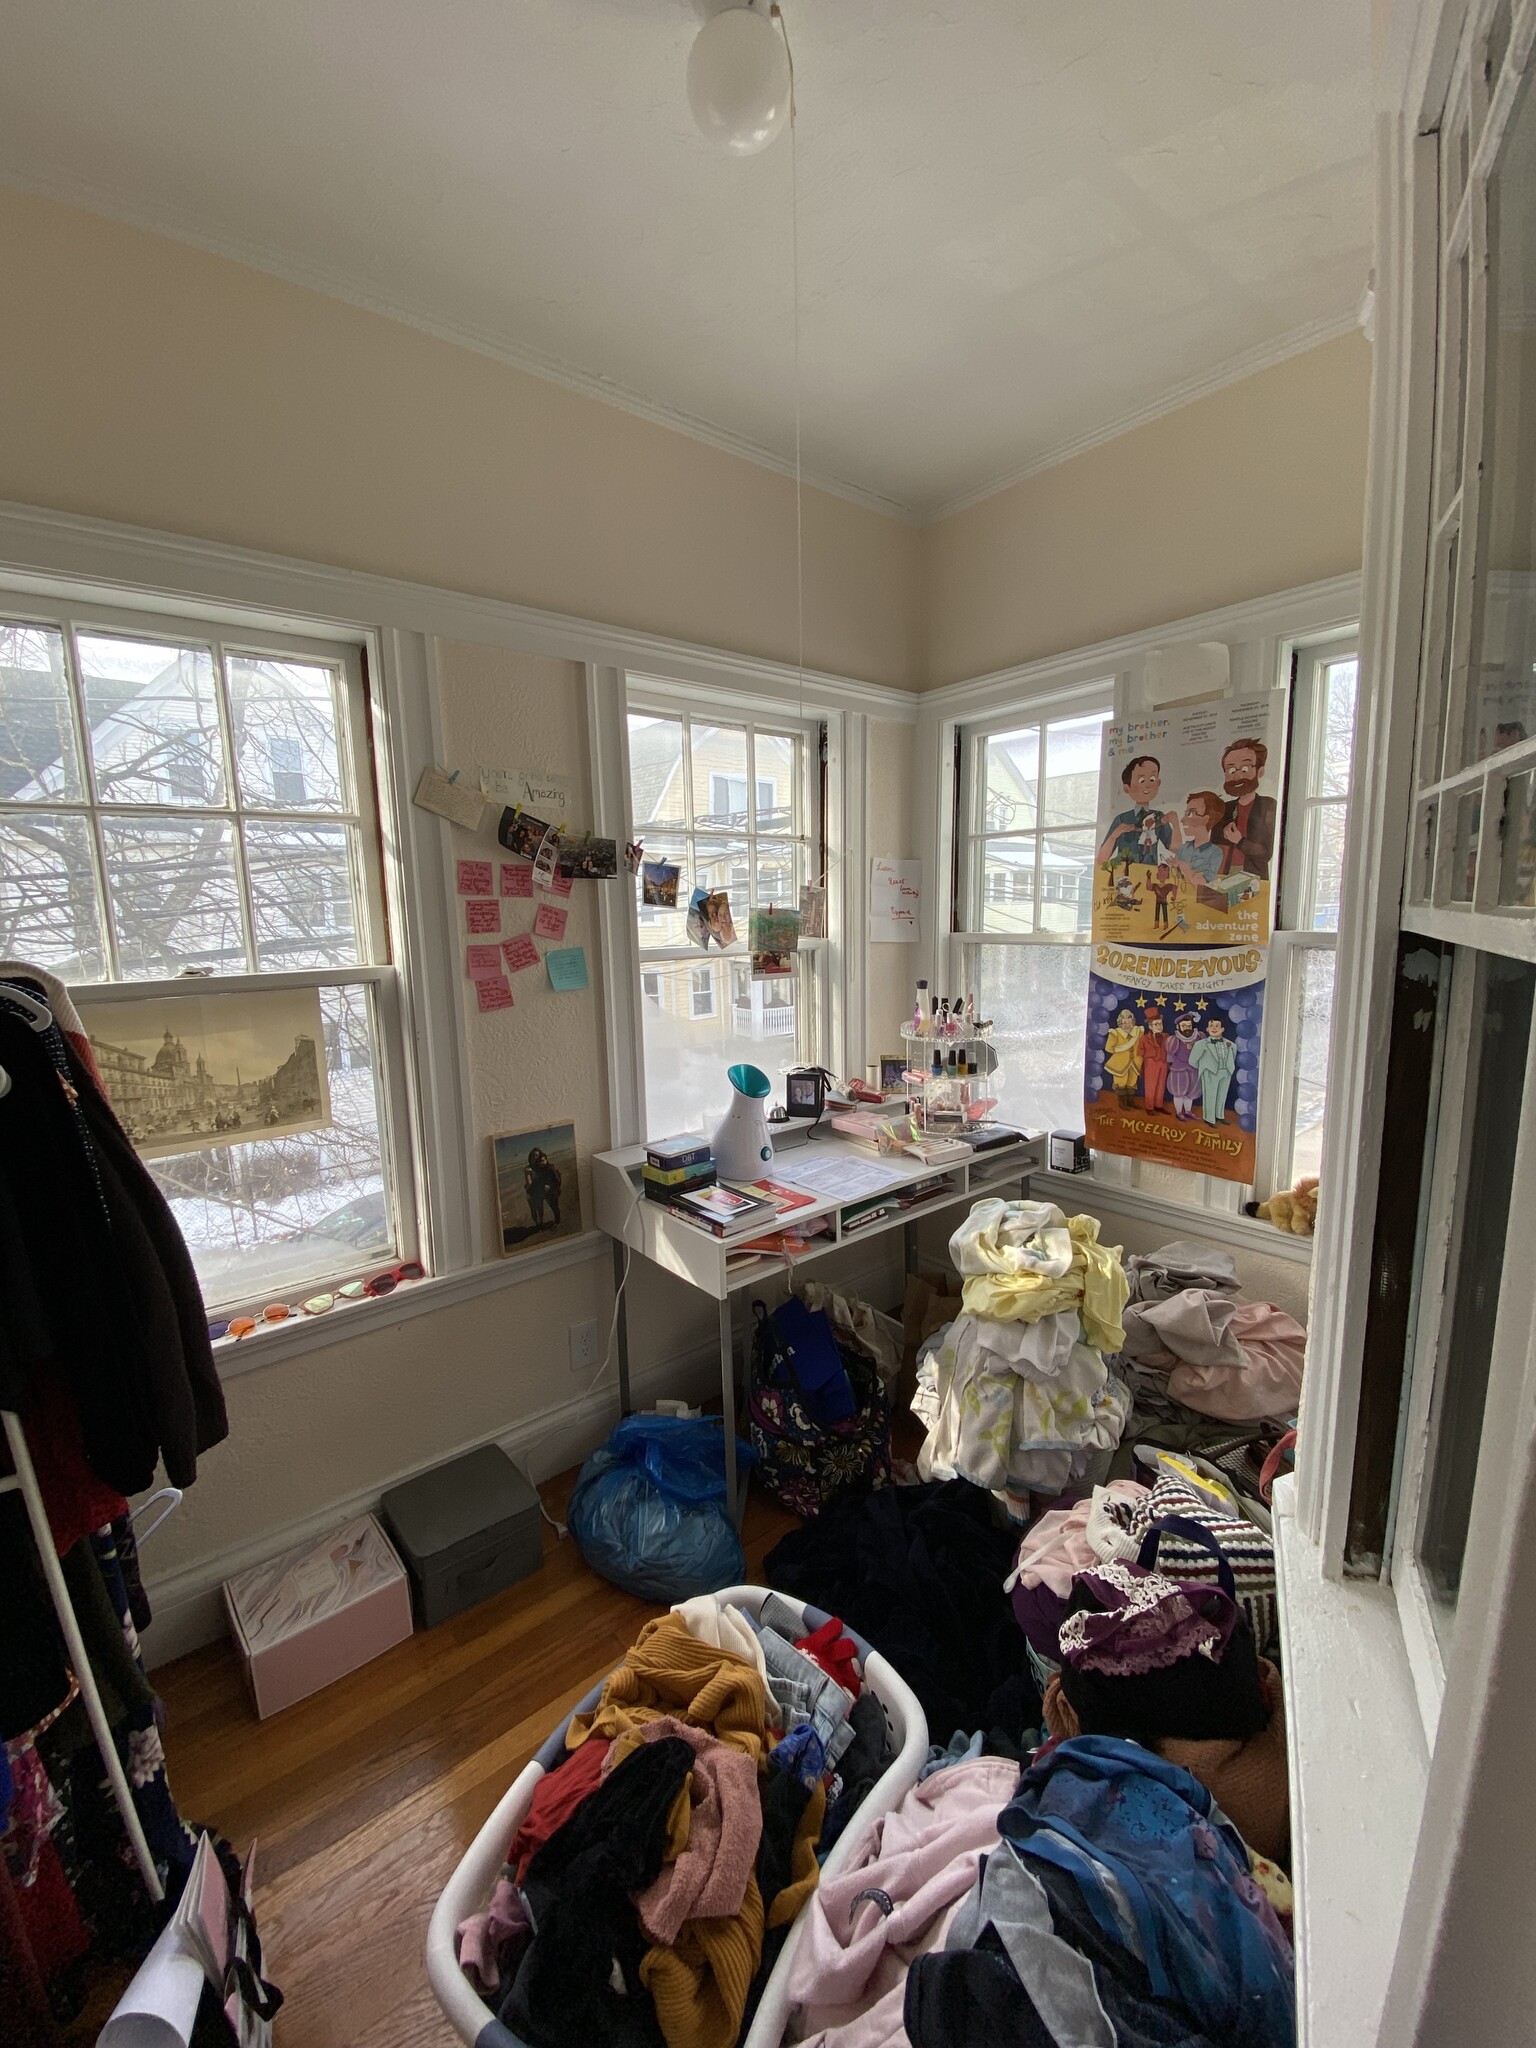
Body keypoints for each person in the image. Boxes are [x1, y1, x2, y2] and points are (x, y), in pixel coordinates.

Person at [1096, 755, 1176, 872]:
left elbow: (1174, 848)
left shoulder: (1159, 817)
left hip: (1150, 874)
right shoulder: (1122, 819)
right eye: (1141, 780)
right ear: (1127, 788)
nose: (1148, 785)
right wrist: (1115, 835)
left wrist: (1176, 824)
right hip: (1124, 876)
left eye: (1152, 779)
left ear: (1158, 783)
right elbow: (1102, 859)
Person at [1217, 739, 1276, 880]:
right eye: (1231, 770)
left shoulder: (1268, 806)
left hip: (1254, 878)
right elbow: (1215, 848)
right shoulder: (1225, 808)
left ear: (1260, 771)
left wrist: (1239, 841)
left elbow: (1266, 853)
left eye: (1244, 769)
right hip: (1224, 876)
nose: (1237, 776)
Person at [1190, 1015, 1238, 1125]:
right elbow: (1192, 1060)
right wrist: (1205, 1067)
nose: (1214, 1028)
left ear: (1222, 1029)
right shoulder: (1201, 1044)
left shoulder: (1231, 1044)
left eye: (1217, 1026)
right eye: (1211, 1026)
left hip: (1225, 1071)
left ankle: (1219, 1115)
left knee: (1222, 1094)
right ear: (1207, 1029)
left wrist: (1228, 1067)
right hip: (1210, 1072)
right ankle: (1209, 1118)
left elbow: (1233, 1055)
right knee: (1210, 1095)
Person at [1172, 791, 1227, 886]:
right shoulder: (1183, 848)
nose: (1183, 819)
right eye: (1186, 813)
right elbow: (1174, 877)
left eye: (1190, 813)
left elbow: (1203, 885)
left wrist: (1184, 867)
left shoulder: (1215, 852)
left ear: (1206, 819)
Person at [1103, 1007, 1144, 1109]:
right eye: (1124, 1022)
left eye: (1129, 1022)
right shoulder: (1115, 1033)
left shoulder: (1138, 1031)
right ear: (1120, 1023)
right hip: (1120, 1063)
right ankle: (1122, 1104)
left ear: (1132, 1022)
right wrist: (1121, 1049)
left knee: (1132, 1082)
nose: (1127, 1025)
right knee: (1121, 1083)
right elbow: (1108, 1048)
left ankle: (1130, 1102)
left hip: (1134, 1062)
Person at [1166, 1011, 1199, 1121]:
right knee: (1179, 1092)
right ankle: (1179, 1112)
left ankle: (1188, 1111)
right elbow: (1170, 1057)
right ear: (1178, 1026)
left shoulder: (1198, 1037)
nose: (1187, 1028)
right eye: (1184, 1026)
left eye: (1189, 1025)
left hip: (1193, 1070)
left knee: (1190, 1093)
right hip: (1179, 1071)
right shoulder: (1174, 1040)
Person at [524, 1145, 563, 1229]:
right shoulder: (528, 1168)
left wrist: (552, 1186)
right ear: (530, 1156)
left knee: (542, 1209)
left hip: (542, 1191)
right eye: (533, 1155)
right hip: (531, 1192)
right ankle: (537, 1224)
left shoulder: (541, 1166)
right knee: (534, 1210)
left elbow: (553, 1177)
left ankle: (542, 1223)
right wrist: (527, 1179)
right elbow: (529, 1184)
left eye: (537, 1155)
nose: (535, 1157)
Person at [1140, 1006, 1170, 1112]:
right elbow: (1140, 1051)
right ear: (1150, 1026)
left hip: (1163, 1062)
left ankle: (1158, 1105)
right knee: (1150, 1085)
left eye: (1160, 1023)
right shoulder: (1144, 1038)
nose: (1159, 1026)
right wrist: (1148, 1055)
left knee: (1161, 1085)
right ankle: (1149, 1106)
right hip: (1151, 1063)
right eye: (1156, 1024)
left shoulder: (1166, 1036)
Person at [1147, 862, 1178, 929]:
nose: (1161, 873)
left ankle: (1165, 924)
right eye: (1159, 871)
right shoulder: (1156, 886)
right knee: (1157, 912)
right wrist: (1148, 878)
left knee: (1165, 913)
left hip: (1164, 901)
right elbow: (1149, 887)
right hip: (1158, 901)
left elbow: (1174, 888)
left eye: (1164, 871)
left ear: (1167, 875)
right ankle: (1156, 924)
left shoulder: (1168, 886)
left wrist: (1174, 896)